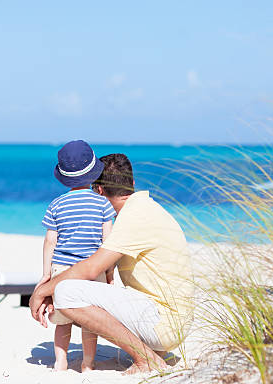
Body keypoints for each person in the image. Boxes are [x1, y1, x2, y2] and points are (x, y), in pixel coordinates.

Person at [30, 153, 194, 375]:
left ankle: (147, 359)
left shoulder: (133, 217)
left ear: (98, 191)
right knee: (72, 291)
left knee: (66, 293)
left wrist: (42, 291)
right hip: (171, 321)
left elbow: (90, 268)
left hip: (161, 323)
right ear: (132, 183)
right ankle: (153, 352)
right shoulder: (145, 208)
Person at [39, 140, 116, 372]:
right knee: (89, 322)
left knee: (62, 321)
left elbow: (50, 241)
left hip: (62, 271)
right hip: (93, 268)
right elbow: (108, 242)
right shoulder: (102, 204)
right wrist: (110, 274)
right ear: (94, 174)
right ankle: (87, 364)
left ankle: (60, 362)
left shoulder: (56, 204)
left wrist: (46, 275)